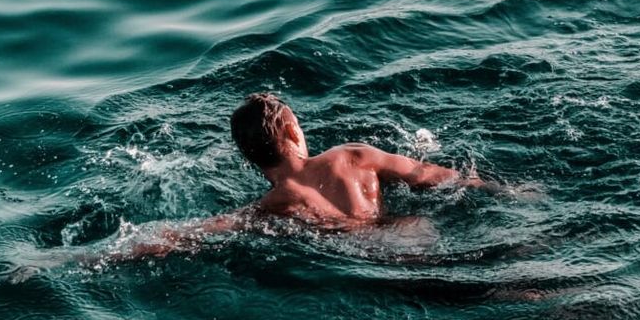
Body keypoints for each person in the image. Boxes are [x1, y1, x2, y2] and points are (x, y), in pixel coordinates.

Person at [107, 93, 503, 260]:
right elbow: (432, 174)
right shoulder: (354, 155)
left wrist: (88, 256)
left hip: (377, 259)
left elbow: (186, 235)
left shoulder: (276, 204)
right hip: (413, 231)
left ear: (250, 159)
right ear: (295, 132)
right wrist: (503, 190)